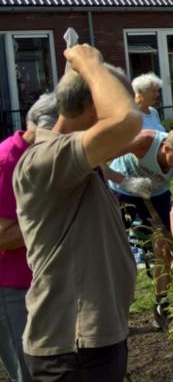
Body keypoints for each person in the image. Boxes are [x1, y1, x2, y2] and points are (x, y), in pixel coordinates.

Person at [13, 45, 140, 382]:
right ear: (93, 104)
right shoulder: (45, 160)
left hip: (90, 345)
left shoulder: (72, 162)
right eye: (113, 100)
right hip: (73, 349)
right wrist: (90, 65)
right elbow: (126, 122)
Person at [106, 128, 173, 330]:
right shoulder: (144, 141)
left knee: (165, 249)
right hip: (121, 190)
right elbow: (96, 159)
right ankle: (112, 312)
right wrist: (125, 181)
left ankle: (161, 305)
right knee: (113, 252)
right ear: (165, 148)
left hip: (156, 194)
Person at [0, 94, 58, 382]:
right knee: (28, 370)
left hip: (43, 279)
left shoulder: (43, 155)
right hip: (11, 286)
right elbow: (3, 237)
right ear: (42, 127)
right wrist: (54, 216)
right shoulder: (6, 162)